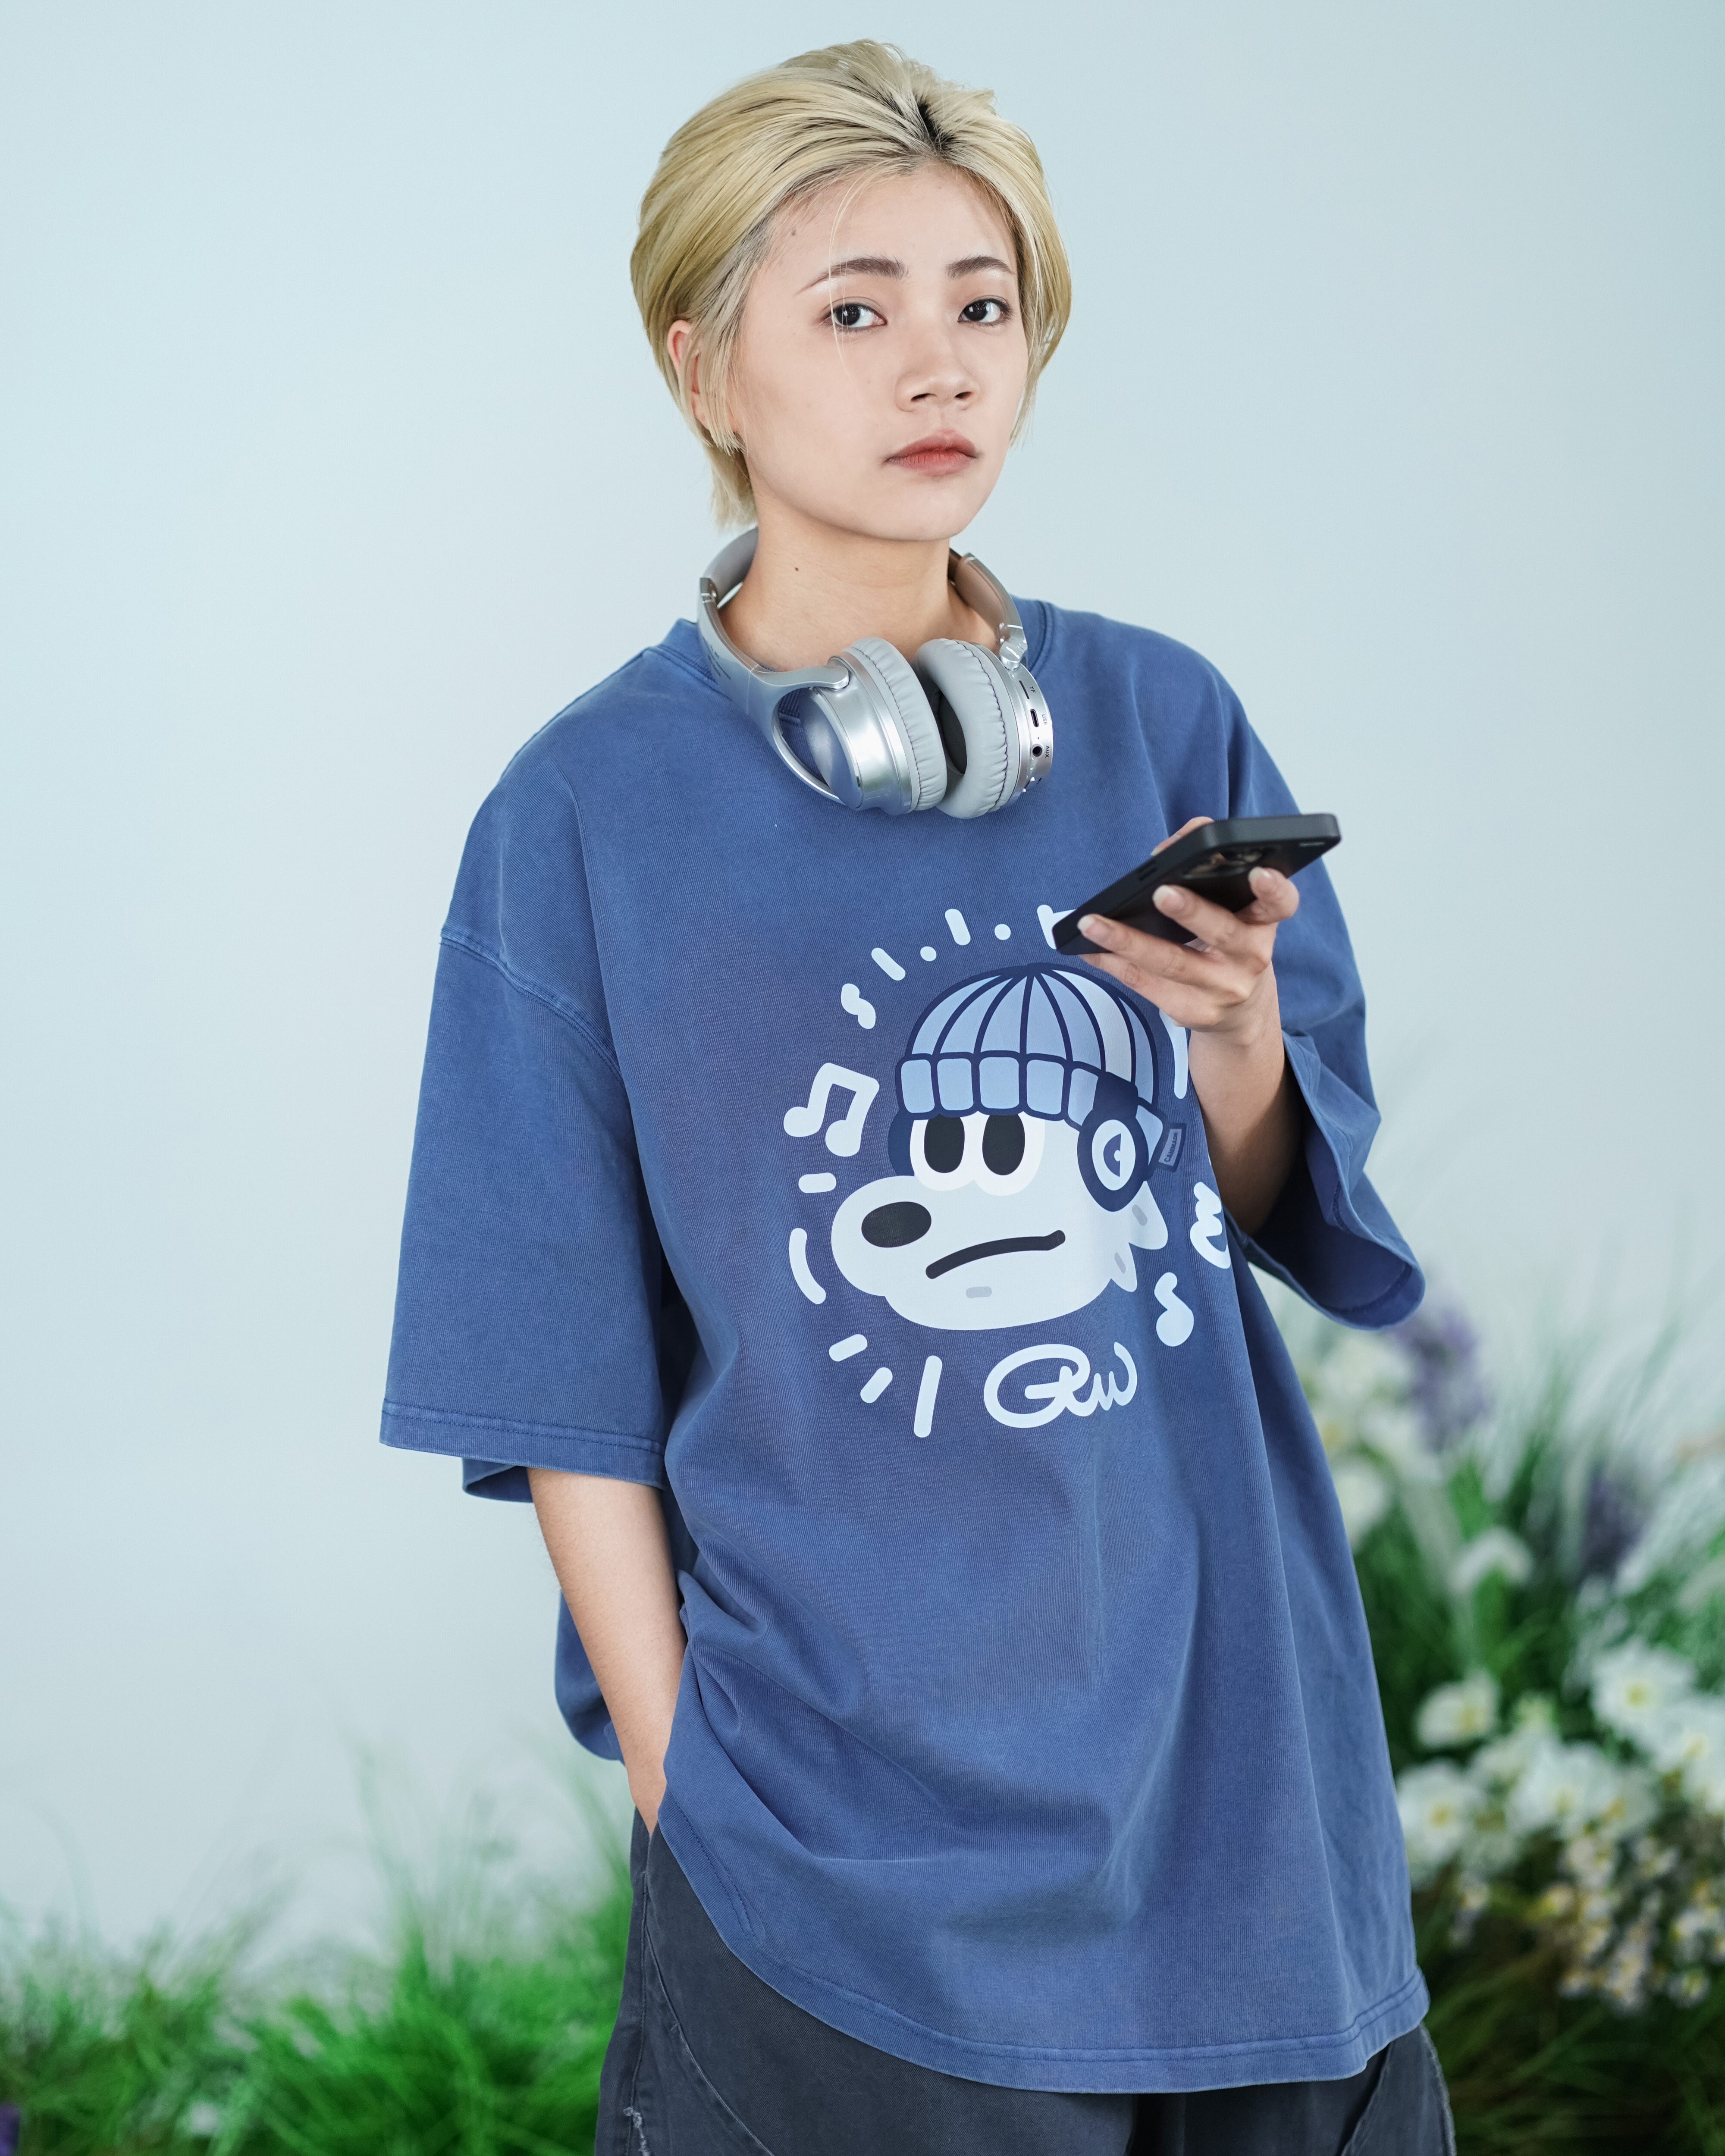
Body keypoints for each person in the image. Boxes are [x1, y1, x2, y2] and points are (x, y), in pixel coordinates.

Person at [380, 39, 1457, 2156]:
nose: (937, 362)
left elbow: (1281, 1204)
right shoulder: (583, 813)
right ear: (705, 367)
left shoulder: (1161, 718)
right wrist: (689, 1789)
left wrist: (1234, 1035)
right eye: (854, 309)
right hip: (837, 1862)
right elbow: (553, 1375)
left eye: (983, 302)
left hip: (1241, 1795)